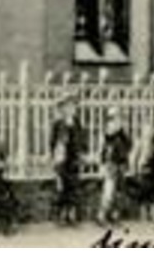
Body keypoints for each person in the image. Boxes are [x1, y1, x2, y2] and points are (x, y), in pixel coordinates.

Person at [49, 95, 84, 226]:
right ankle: (60, 215)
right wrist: (54, 157)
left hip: (73, 159)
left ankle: (71, 214)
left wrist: (80, 153)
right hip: (61, 159)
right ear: (63, 108)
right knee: (61, 187)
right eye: (69, 106)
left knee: (73, 186)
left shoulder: (76, 122)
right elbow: (52, 142)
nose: (72, 108)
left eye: (74, 106)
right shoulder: (58, 123)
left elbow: (80, 140)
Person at [128, 124, 154, 222]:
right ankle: (144, 215)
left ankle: (153, 214)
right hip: (143, 170)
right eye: (148, 131)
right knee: (143, 193)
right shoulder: (139, 142)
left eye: (151, 131)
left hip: (153, 171)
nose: (150, 133)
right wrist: (134, 170)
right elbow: (133, 157)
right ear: (143, 132)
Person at [98, 108, 131, 225]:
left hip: (120, 164)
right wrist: (103, 164)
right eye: (114, 118)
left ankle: (114, 215)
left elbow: (128, 145)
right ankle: (102, 215)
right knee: (109, 191)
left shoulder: (122, 133)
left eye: (119, 118)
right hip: (111, 164)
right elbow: (104, 149)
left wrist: (121, 131)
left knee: (119, 192)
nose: (117, 121)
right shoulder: (109, 133)